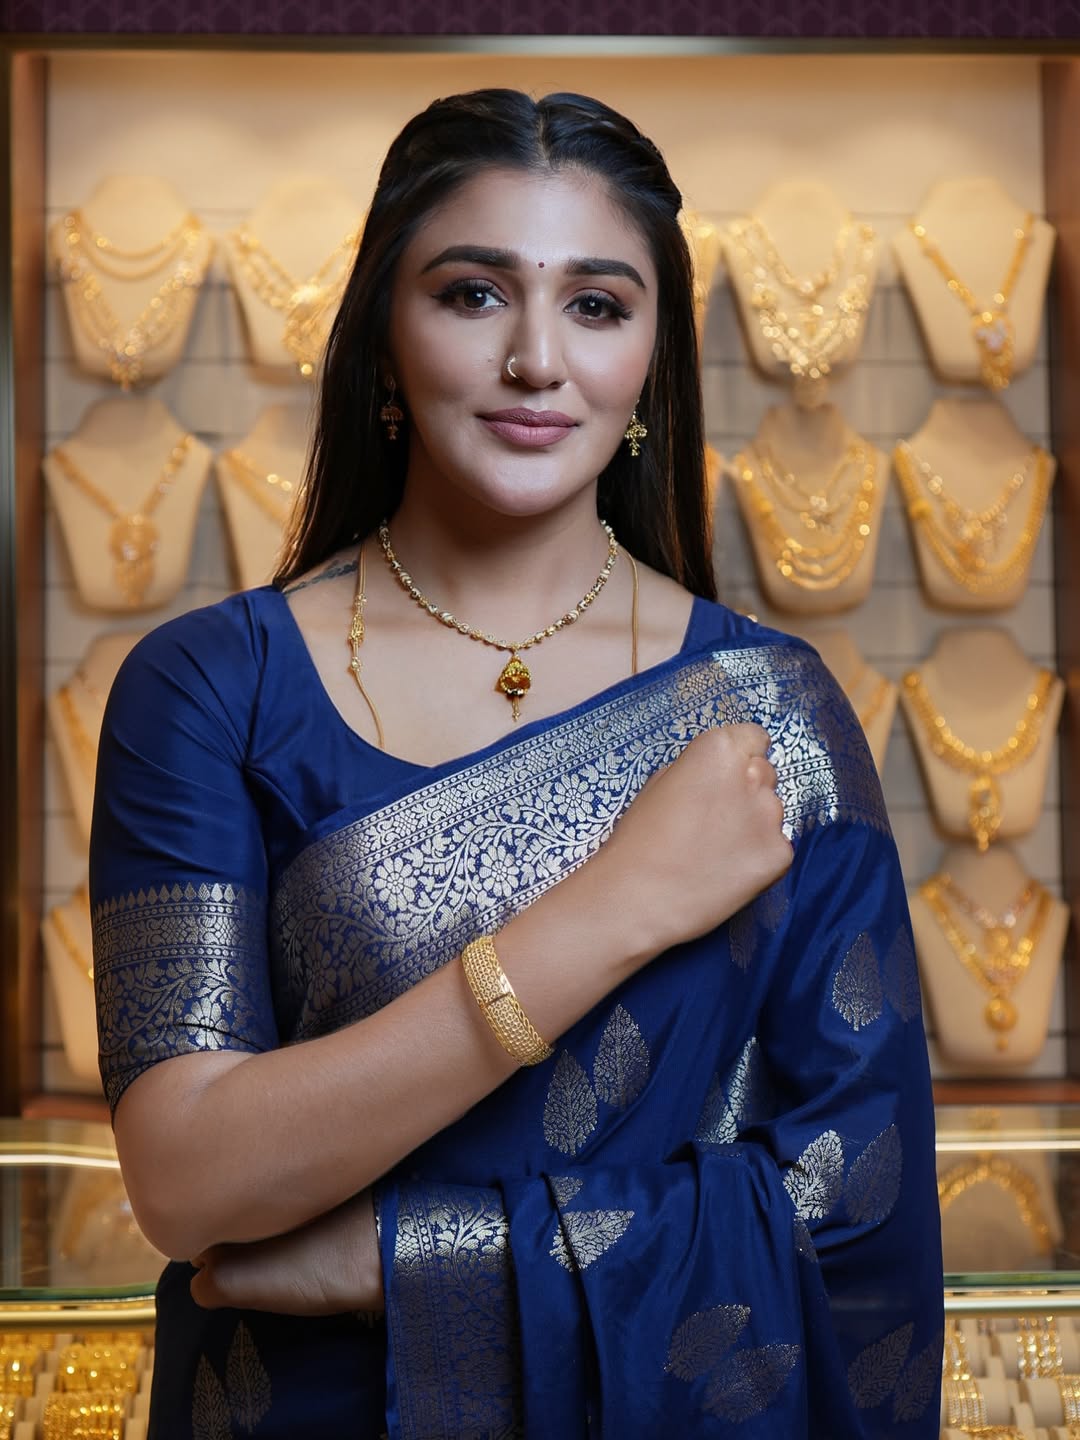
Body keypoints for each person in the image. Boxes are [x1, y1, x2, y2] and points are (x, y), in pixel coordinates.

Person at [90, 88, 942, 1439]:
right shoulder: (212, 689)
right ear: (383, 337)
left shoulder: (771, 714)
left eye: (598, 306)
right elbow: (188, 1179)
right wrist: (610, 912)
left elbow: (855, 1203)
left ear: (653, 364)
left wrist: (404, 1264)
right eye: (474, 294)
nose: (538, 360)